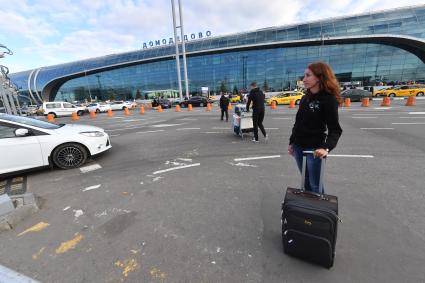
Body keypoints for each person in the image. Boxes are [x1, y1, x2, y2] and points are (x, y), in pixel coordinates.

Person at [288, 62, 343, 193]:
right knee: (305, 181)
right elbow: (298, 123)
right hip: (298, 147)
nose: (304, 79)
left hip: (314, 150)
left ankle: (317, 211)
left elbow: (335, 129)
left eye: (308, 75)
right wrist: (292, 142)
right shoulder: (305, 98)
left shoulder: (328, 100)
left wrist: (326, 148)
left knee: (315, 185)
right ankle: (308, 211)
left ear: (319, 77)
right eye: (304, 76)